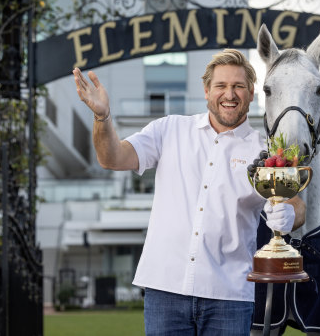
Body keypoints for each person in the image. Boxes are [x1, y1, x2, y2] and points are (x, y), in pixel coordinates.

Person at [73, 49, 306, 336]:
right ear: (207, 90)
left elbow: (297, 204)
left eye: (238, 86)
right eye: (221, 86)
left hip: (229, 296)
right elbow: (112, 158)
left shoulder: (264, 150)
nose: (229, 94)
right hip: (164, 289)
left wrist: (288, 214)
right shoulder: (169, 129)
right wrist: (102, 116)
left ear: (251, 93)